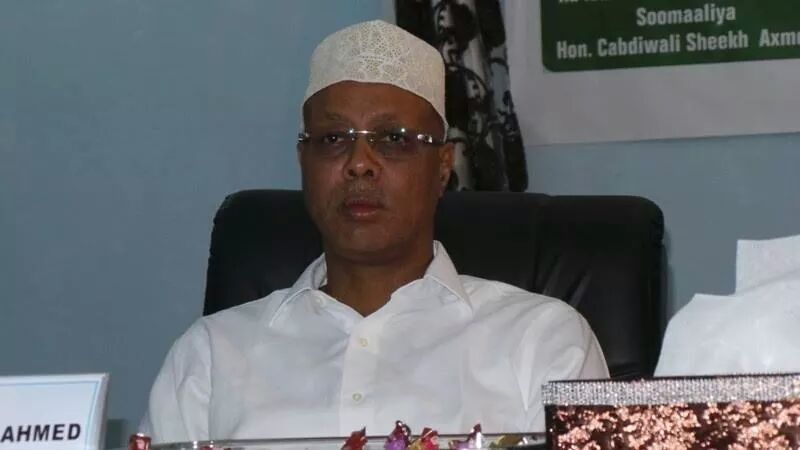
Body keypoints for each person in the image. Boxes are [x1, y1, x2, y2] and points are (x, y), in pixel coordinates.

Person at [140, 19, 608, 444]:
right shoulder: (211, 356)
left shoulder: (541, 341)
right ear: (304, 161)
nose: (359, 164)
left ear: (443, 166)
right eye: (333, 139)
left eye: (394, 140)